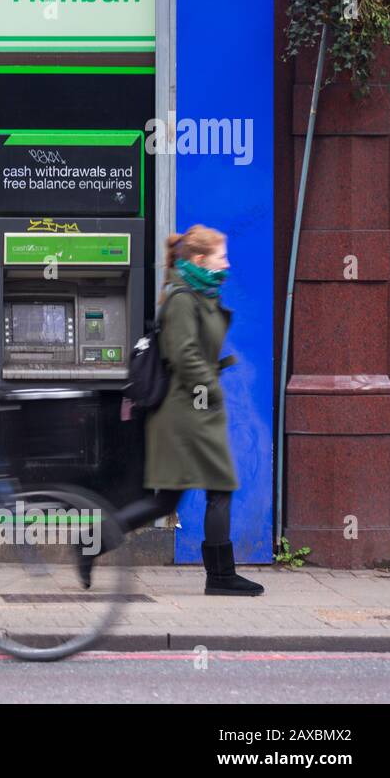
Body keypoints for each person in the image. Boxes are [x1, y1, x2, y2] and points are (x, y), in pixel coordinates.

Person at [82, 224, 263, 595]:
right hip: (187, 414)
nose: (226, 263)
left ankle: (90, 543)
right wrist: (209, 391)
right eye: (221, 256)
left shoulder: (195, 294)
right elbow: (184, 355)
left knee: (165, 499)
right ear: (200, 260)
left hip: (189, 411)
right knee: (220, 485)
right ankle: (220, 576)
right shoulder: (182, 298)